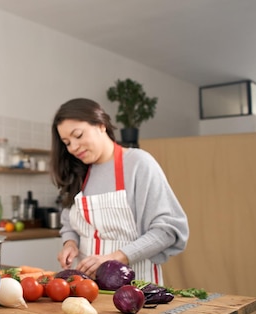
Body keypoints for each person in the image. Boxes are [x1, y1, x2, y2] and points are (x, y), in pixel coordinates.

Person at [52, 98, 188, 285]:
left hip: (135, 286)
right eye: (66, 142)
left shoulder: (139, 163)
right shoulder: (78, 171)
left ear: (101, 125)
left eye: (78, 135)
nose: (73, 147)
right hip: (85, 288)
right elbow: (69, 223)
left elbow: (167, 230)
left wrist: (117, 257)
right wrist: (70, 243)